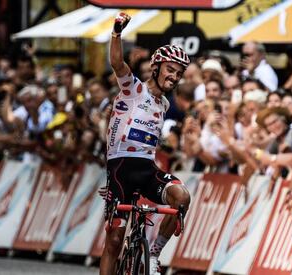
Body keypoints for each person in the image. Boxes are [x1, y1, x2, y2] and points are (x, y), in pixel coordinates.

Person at [100, 13, 191, 275]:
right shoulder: (133, 88)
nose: (174, 77)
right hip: (120, 171)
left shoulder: (164, 104)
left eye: (179, 73)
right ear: (156, 67)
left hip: (147, 170)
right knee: (114, 241)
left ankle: (153, 254)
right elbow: (117, 63)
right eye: (170, 70)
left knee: (181, 197)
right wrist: (117, 33)